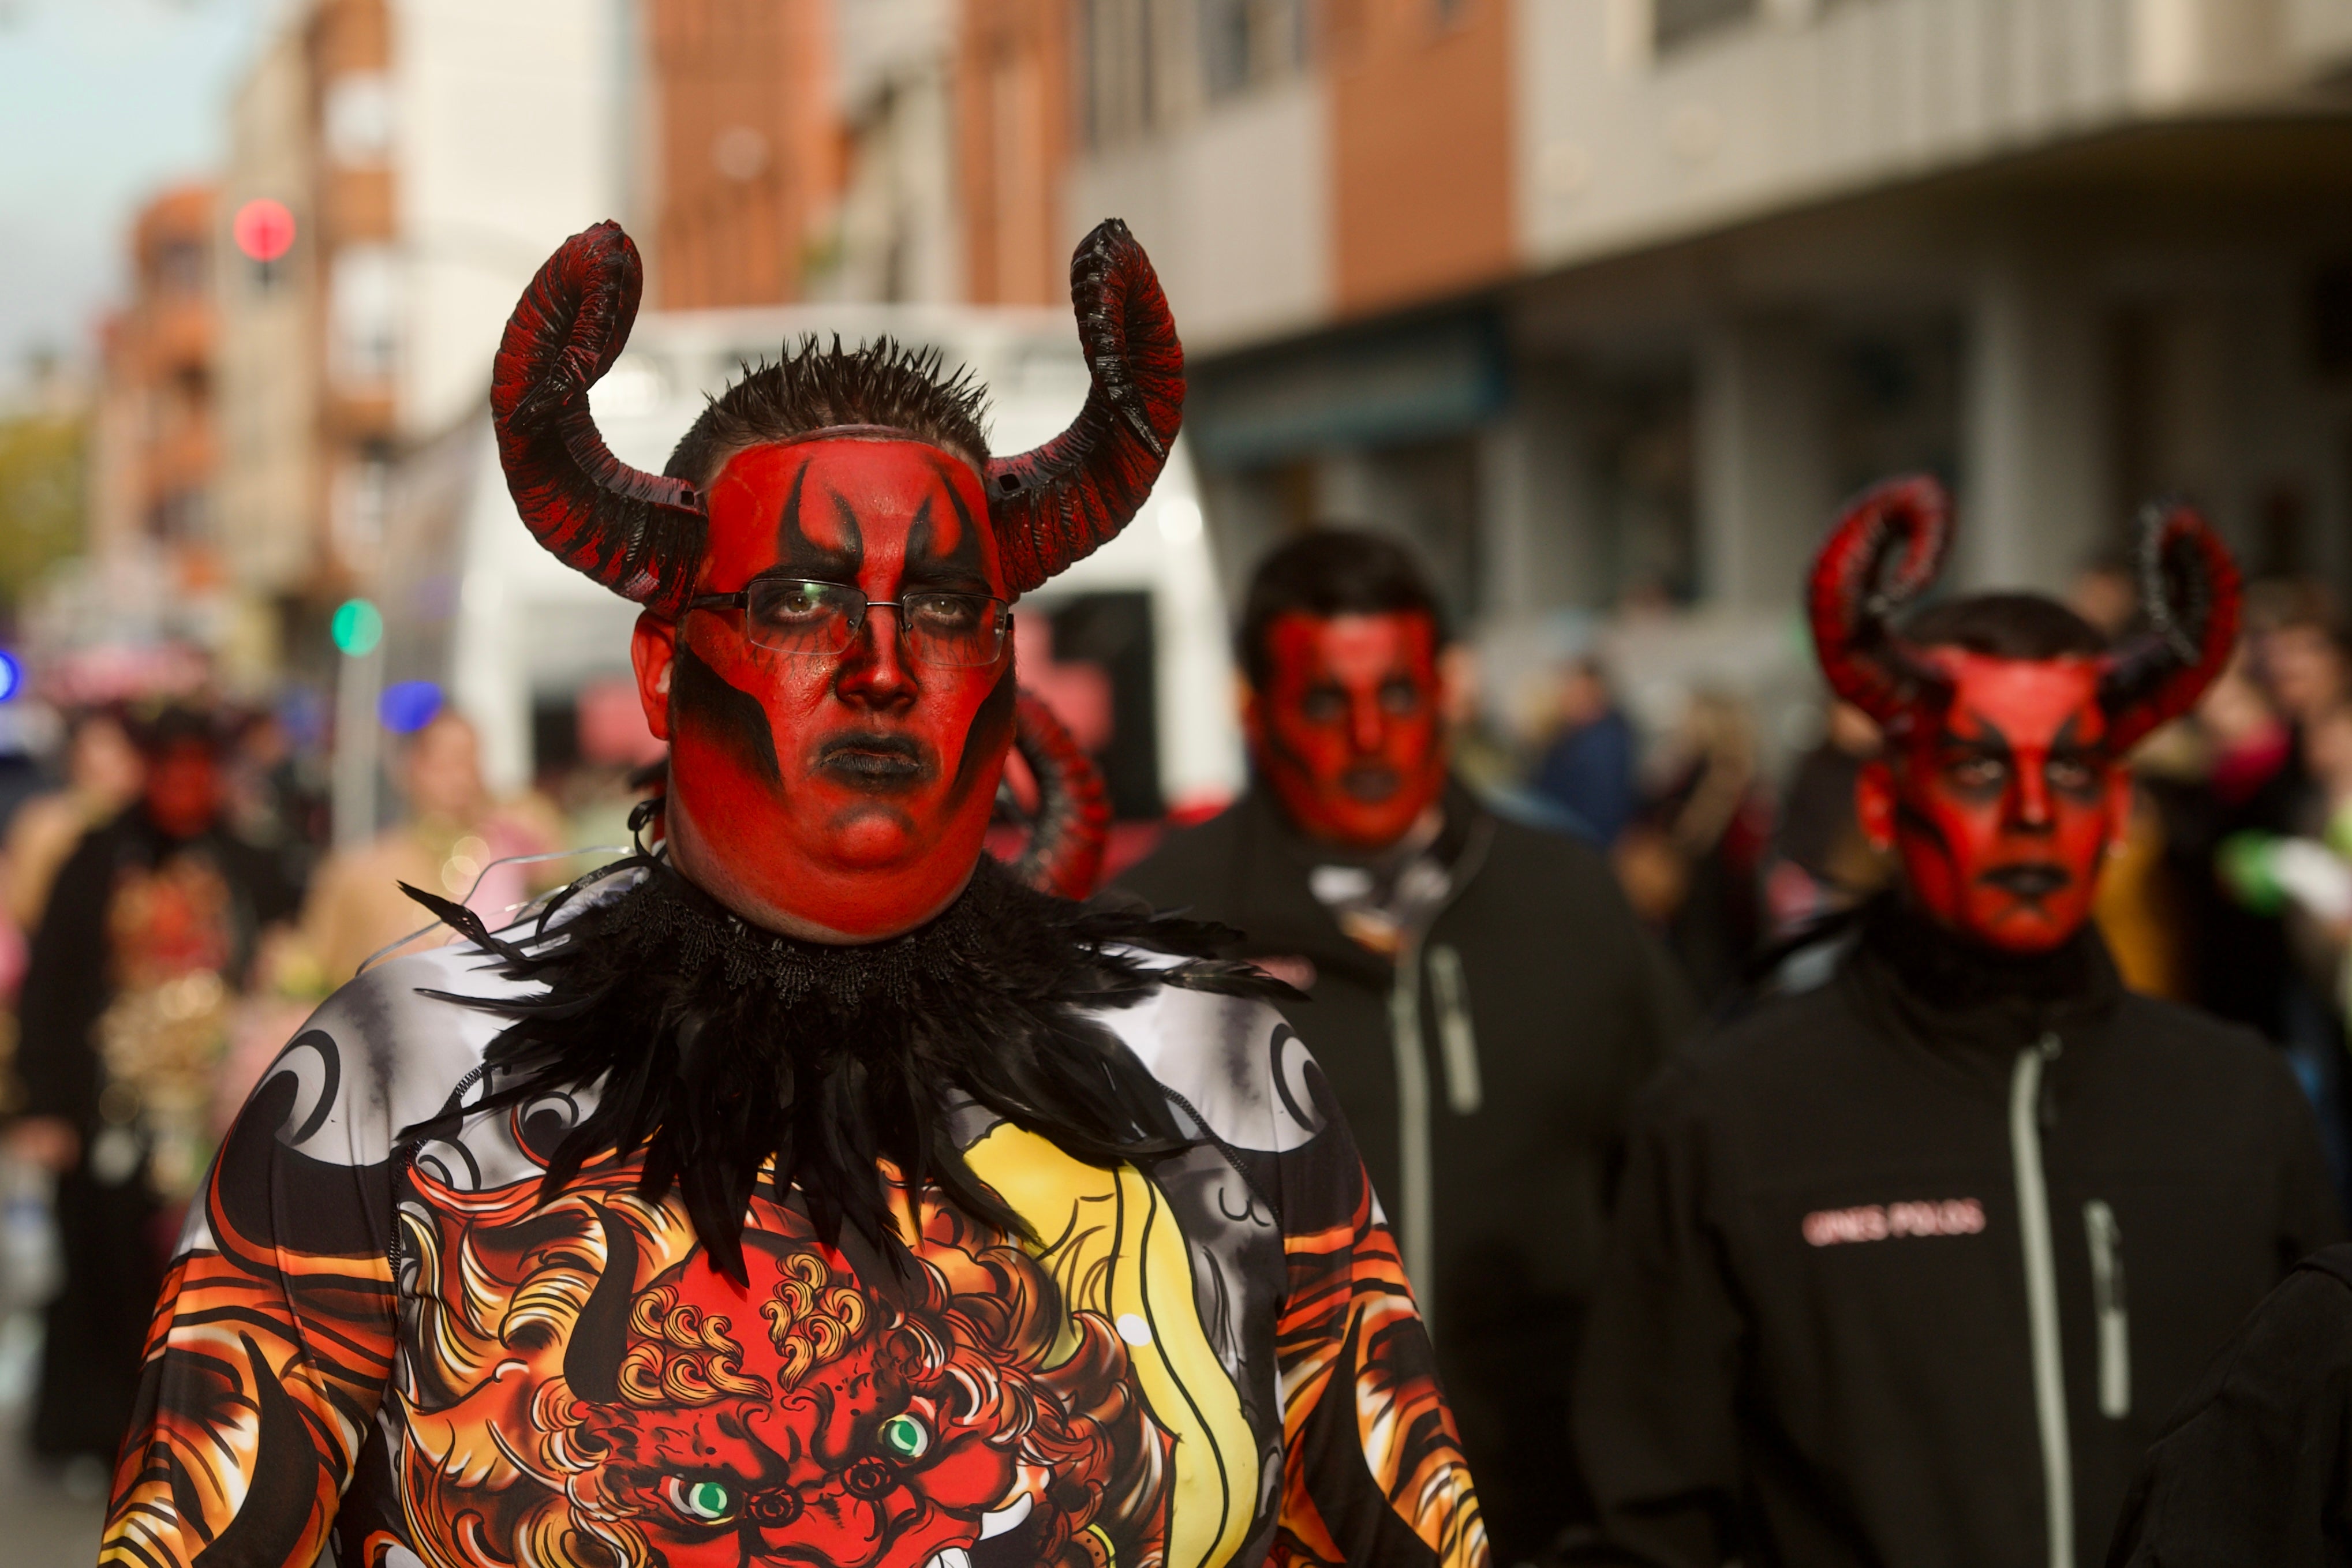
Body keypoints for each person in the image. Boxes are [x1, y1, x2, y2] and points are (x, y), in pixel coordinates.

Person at [99, 220, 1486, 1568]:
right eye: (796, 601)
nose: (880, 662)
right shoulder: (402, 1082)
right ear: (661, 668)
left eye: (944, 606)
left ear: (1008, 663)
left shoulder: (1217, 1075)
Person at [1569, 477, 2341, 1568]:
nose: (2032, 810)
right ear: (1883, 805)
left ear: (2118, 808)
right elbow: (1651, 1526)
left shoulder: (2244, 1102)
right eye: (1981, 766)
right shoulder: (1727, 1115)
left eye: (2072, 768)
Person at [1115, 528, 1695, 1563]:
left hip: (1549, 1519)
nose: (1373, 737)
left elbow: (1680, 1214)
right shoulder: (1156, 931)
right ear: (1254, 712)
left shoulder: (1571, 902)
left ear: (1449, 690)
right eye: (1328, 704)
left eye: (1401, 694)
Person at [8, 705, 299, 1473]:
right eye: (167, 768)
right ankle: (111, 1433)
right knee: (106, 1265)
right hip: (115, 1104)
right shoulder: (97, 859)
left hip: (222, 1103)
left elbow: (289, 970)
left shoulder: (254, 861)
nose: (182, 785)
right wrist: (40, 1103)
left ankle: (209, 1423)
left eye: (196, 768)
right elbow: (53, 988)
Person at [294, 708, 565, 984]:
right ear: (410, 768)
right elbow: (320, 965)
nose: (460, 779)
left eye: (469, 763)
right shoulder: (363, 869)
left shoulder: (506, 846)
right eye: (444, 765)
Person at [1531, 655, 1639, 845]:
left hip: (1582, 836)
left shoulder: (1604, 745)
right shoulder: (1581, 735)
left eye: (1574, 691)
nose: (1565, 698)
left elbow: (1600, 815)